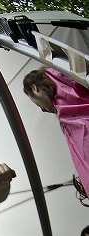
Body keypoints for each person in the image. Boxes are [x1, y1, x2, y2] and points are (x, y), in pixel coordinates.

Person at [22, 67, 89, 199]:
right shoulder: (76, 89)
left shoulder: (69, 114)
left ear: (34, 88)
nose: (42, 109)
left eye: (36, 103)